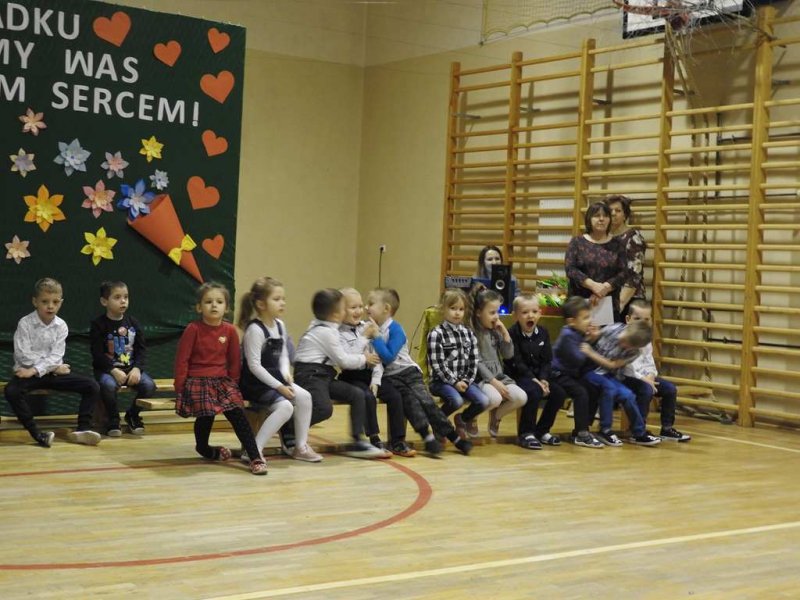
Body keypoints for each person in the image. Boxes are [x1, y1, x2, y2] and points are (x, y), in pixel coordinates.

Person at [173, 282, 267, 475]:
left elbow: (234, 361)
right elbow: (182, 360)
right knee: (206, 415)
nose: (214, 305)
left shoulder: (230, 331)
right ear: (199, 307)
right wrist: (180, 387)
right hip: (198, 381)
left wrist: (232, 385)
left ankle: (255, 456)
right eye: (208, 302)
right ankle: (204, 449)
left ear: (227, 307)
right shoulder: (193, 329)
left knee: (237, 414)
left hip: (222, 382)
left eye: (219, 302)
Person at [365, 288, 472, 456]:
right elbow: (376, 360)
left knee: (426, 402)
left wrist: (377, 337)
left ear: (386, 308)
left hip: (408, 372)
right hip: (391, 377)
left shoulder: (395, 329)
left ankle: (455, 438)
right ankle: (427, 438)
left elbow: (388, 357)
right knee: (411, 404)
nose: (366, 307)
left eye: (371, 304)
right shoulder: (372, 330)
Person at [292, 288, 390, 459]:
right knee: (324, 409)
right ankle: (288, 426)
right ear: (336, 314)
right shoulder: (326, 331)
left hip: (325, 375)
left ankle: (357, 441)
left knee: (357, 394)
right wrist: (364, 357)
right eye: (346, 308)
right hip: (310, 374)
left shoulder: (329, 327)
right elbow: (344, 361)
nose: (353, 311)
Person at [4, 278, 102, 447]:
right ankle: (38, 434)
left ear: (61, 303)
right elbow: (23, 355)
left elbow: (56, 356)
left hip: (50, 374)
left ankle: (83, 429)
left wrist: (40, 368)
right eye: (45, 302)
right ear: (35, 302)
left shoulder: (61, 325)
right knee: (11, 391)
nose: (50, 306)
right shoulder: (25, 323)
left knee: (92, 385)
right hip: (28, 374)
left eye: (55, 302)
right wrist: (48, 368)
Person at [238, 277, 322, 463]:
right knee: (285, 407)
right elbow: (254, 366)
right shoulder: (255, 330)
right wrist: (280, 386)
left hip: (275, 380)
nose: (282, 303)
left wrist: (286, 375)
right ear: (261, 304)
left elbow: (283, 354)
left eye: (283, 299)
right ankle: (254, 450)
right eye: (276, 299)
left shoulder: (280, 325)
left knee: (305, 397)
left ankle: (300, 447)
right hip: (255, 383)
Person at [337, 288, 412, 457]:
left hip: (371, 375)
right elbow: (347, 357)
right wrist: (364, 341)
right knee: (368, 397)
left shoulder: (368, 327)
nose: (359, 311)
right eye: (353, 307)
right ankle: (374, 438)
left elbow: (376, 357)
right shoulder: (338, 333)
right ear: (341, 311)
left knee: (395, 395)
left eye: (360, 306)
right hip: (351, 376)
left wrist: (376, 380)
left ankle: (397, 440)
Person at [89, 280, 156, 436]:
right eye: (117, 297)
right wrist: (112, 370)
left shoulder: (133, 323)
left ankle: (132, 415)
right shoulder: (98, 325)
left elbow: (141, 349)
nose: (123, 301)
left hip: (131, 369)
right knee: (108, 386)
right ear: (104, 301)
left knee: (149, 386)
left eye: (126, 297)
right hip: (108, 370)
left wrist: (137, 369)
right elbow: (97, 354)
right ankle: (113, 419)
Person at [581, 320, 661, 447]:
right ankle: (605, 430)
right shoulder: (612, 329)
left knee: (628, 396)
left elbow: (612, 365)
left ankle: (639, 433)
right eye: (625, 341)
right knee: (609, 388)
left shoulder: (634, 352)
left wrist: (591, 353)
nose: (624, 346)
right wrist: (592, 335)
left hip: (609, 374)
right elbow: (592, 337)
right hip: (592, 371)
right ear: (625, 331)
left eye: (629, 346)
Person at [504, 293, 567, 449]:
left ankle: (542, 430)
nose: (530, 316)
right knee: (534, 391)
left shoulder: (543, 332)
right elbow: (516, 362)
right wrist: (534, 380)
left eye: (534, 312)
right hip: (519, 375)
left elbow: (546, 360)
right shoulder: (512, 334)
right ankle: (526, 433)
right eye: (525, 312)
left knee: (559, 393)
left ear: (539, 313)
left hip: (539, 376)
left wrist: (544, 379)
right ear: (515, 316)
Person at [623, 300, 691, 442]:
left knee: (670, 389)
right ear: (628, 320)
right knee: (646, 390)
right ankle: (638, 431)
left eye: (646, 320)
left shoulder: (646, 338)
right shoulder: (624, 337)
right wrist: (644, 380)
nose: (642, 323)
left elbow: (649, 362)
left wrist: (651, 376)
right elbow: (626, 367)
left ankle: (667, 428)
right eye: (637, 319)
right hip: (627, 377)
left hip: (646, 378)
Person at [426, 288, 489, 439]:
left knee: (483, 401)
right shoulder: (436, 334)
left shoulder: (468, 333)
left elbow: (473, 361)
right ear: (443, 309)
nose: (457, 313)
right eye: (453, 308)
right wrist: (454, 382)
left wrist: (466, 380)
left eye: (461, 309)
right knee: (456, 400)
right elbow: (438, 365)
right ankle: (438, 421)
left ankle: (462, 419)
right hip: (441, 381)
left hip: (464, 380)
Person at [469, 286, 527, 438]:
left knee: (521, 397)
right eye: (492, 312)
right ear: (478, 312)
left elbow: (508, 355)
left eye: (497, 312)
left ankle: (496, 416)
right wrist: (493, 382)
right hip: (481, 378)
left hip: (499, 376)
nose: (496, 317)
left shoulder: (495, 330)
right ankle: (471, 417)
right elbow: (477, 362)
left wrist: (505, 334)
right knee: (495, 398)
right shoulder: (472, 332)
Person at [550, 296, 603, 448]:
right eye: (585, 318)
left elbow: (587, 359)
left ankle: (582, 429)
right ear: (571, 321)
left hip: (570, 374)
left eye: (589, 316)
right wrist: (589, 341)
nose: (590, 321)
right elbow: (578, 359)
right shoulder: (567, 335)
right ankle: (581, 433)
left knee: (593, 388)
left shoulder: (578, 333)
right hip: (557, 374)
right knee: (581, 393)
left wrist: (590, 341)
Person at [565, 201, 627, 322]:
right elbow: (570, 269)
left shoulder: (618, 244)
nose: (601, 219)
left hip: (608, 304)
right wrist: (593, 286)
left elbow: (624, 273)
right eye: (597, 215)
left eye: (605, 216)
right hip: (579, 304)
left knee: (606, 334)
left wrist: (604, 289)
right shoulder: (577, 242)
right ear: (589, 219)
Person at [606, 194, 647, 315]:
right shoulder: (604, 237)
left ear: (625, 215)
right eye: (610, 210)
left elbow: (634, 275)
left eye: (618, 210)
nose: (613, 213)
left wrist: (621, 303)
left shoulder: (633, 237)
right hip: (609, 296)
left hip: (629, 299)